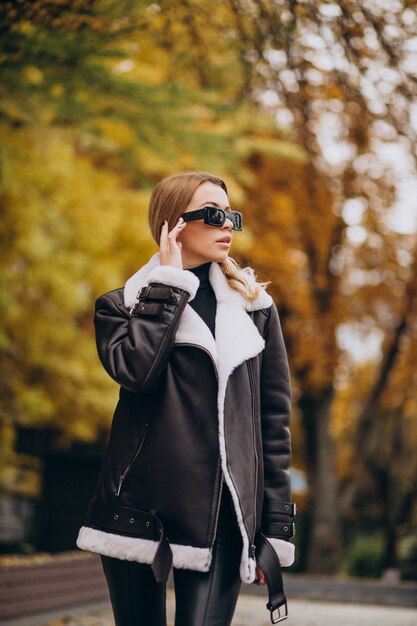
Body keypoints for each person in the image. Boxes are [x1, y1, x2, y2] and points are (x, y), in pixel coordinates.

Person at [77, 171, 295, 626]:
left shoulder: (255, 311)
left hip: (222, 514)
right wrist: (170, 285)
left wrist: (274, 527)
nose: (228, 226)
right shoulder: (122, 306)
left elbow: (272, 426)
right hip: (137, 513)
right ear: (172, 225)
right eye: (213, 215)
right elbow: (136, 372)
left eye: (231, 215)